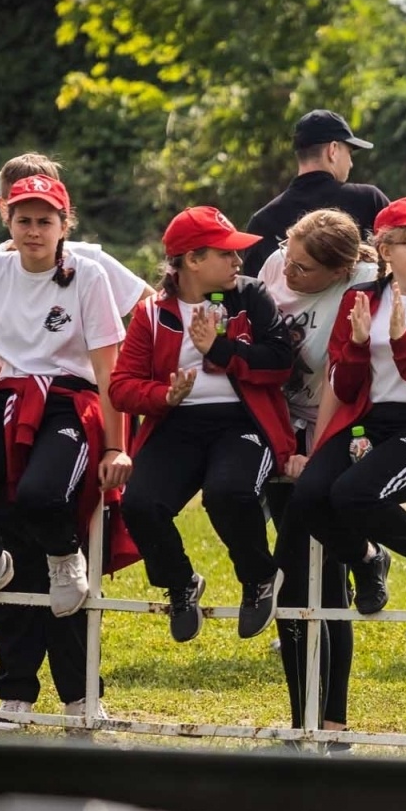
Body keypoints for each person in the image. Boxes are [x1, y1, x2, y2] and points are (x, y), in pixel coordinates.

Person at [0, 152, 148, 727]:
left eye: (46, 218)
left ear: (66, 220)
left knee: (51, 521)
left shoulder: (91, 267)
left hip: (69, 410)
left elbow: (114, 355)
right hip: (8, 408)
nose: (34, 229)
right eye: (23, 217)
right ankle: (12, 687)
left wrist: (119, 443)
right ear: (5, 215)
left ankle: (80, 696)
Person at [272, 196, 406, 724]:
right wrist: (361, 345)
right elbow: (344, 383)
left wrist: (404, 341)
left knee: (351, 495)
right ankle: (368, 559)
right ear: (385, 249)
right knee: (309, 498)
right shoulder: (360, 297)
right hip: (367, 424)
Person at [111, 207, 294, 643]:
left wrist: (222, 349)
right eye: (226, 253)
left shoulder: (252, 296)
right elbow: (122, 387)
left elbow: (281, 363)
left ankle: (260, 578)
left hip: (242, 422)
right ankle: (181, 584)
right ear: (191, 260)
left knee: (228, 492)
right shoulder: (151, 313)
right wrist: (163, 396)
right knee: (140, 504)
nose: (238, 262)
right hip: (177, 423)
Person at [259, 208, 378, 732]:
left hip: (334, 434)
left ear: (340, 270)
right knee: (292, 582)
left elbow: (344, 373)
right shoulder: (272, 268)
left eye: (304, 268)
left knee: (328, 583)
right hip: (278, 435)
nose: (290, 271)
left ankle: (332, 722)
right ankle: (301, 719)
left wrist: (324, 447)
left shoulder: (367, 286)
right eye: (290, 253)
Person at [241, 110, 389, 277]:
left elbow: (253, 293)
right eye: (349, 152)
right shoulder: (368, 200)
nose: (351, 163)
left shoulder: (262, 221)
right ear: (333, 150)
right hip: (361, 303)